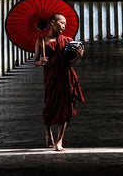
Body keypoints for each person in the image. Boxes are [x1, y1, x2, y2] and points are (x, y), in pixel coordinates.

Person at [34, 13, 85, 151]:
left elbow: (68, 62)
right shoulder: (41, 41)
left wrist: (79, 57)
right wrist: (41, 62)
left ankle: (59, 141)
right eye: (61, 23)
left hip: (65, 76)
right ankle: (48, 131)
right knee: (50, 105)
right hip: (51, 77)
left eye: (65, 24)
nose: (64, 26)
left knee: (66, 107)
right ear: (52, 22)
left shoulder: (67, 40)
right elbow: (36, 62)